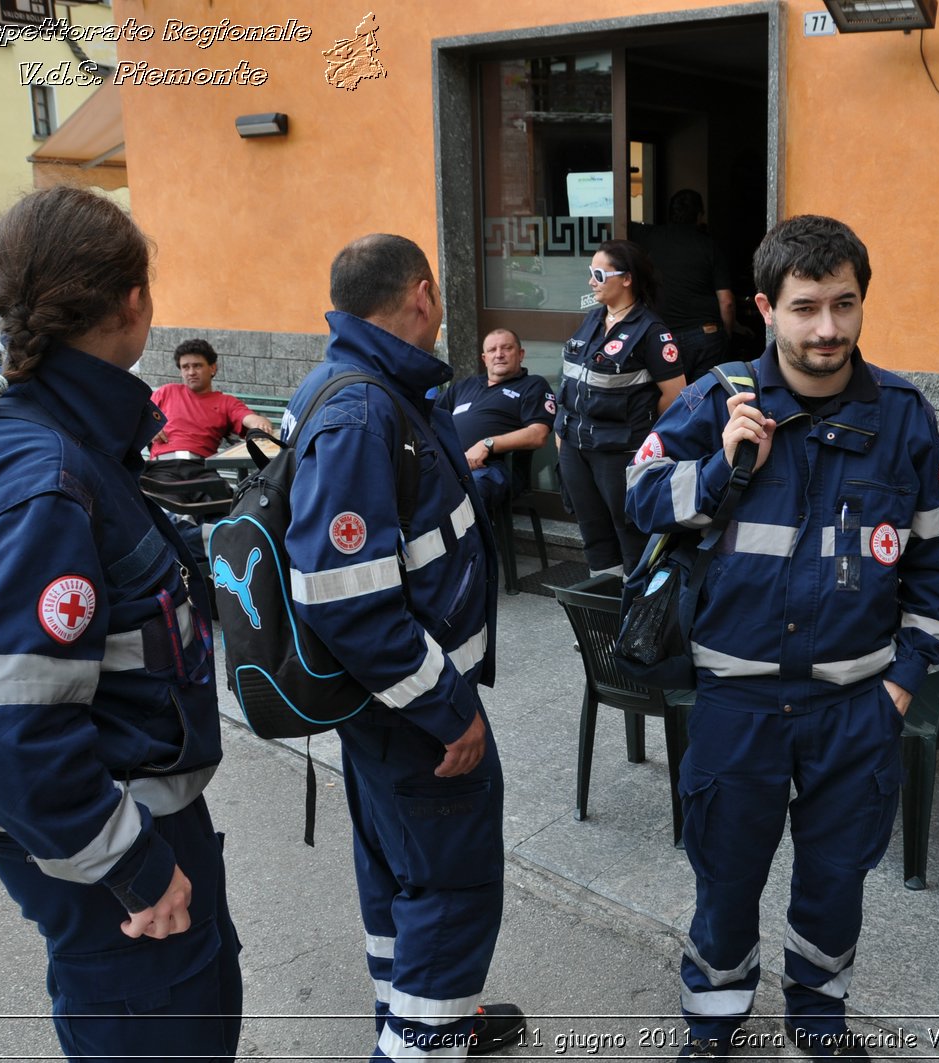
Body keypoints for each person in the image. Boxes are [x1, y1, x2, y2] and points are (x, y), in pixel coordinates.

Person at [625, 214, 939, 1061]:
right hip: (738, 703)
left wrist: (901, 683)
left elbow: (933, 567)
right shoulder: (715, 398)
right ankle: (714, 1016)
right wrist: (715, 466)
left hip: (855, 706)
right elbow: (639, 497)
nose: (828, 328)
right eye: (806, 306)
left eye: (844, 304)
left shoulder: (905, 419)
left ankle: (818, 1014)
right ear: (767, 307)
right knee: (727, 876)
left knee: (834, 879)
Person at [0, 186, 241, 1059]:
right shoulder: (45, 472)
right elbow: (8, 729)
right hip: (114, 857)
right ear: (134, 301)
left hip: (116, 833)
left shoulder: (45, 431)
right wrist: (135, 867)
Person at [281, 234, 524, 1059]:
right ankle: (421, 1039)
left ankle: (413, 1017)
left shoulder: (364, 385)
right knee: (450, 892)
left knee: (400, 875)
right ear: (422, 293)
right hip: (413, 710)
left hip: (383, 706)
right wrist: (449, 712)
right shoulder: (362, 408)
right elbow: (347, 602)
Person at [555, 239, 683, 577]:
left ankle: (633, 617)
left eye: (599, 273)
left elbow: (675, 395)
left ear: (626, 279)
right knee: (594, 536)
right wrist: (561, 433)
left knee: (630, 533)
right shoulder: (592, 320)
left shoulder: (652, 331)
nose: (591, 281)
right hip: (575, 447)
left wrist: (640, 431)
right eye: (590, 272)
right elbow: (570, 380)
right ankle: (605, 617)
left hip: (618, 451)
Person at [438, 327, 556, 513]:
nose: (499, 355)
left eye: (506, 348)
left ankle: (468, 542)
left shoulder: (532, 385)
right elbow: (428, 416)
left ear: (520, 354)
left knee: (462, 495)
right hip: (449, 464)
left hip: (493, 468)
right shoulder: (464, 386)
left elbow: (538, 434)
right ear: (484, 358)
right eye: (492, 350)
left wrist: (486, 445)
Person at [145, 337, 277, 501]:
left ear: (212, 368)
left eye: (197, 366)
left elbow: (250, 419)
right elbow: (135, 420)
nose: (191, 372)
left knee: (225, 511)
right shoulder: (166, 392)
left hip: (201, 470)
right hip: (162, 469)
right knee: (170, 511)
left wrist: (260, 423)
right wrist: (148, 427)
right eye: (185, 367)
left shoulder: (226, 402)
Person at [631, 189, 737, 382]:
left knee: (672, 401)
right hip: (706, 335)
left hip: (663, 336)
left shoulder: (650, 237)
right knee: (705, 399)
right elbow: (726, 301)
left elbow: (619, 222)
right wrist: (726, 334)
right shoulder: (709, 245)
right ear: (699, 215)